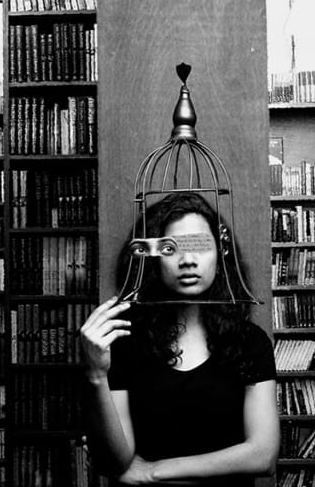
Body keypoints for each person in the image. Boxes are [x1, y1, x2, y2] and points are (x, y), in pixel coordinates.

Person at [81, 192, 279, 486]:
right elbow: (117, 462)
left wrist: (151, 472)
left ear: (221, 252)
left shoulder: (249, 341)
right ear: (153, 258)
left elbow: (263, 456)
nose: (188, 260)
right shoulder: (124, 342)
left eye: (200, 246)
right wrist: (95, 375)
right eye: (171, 249)